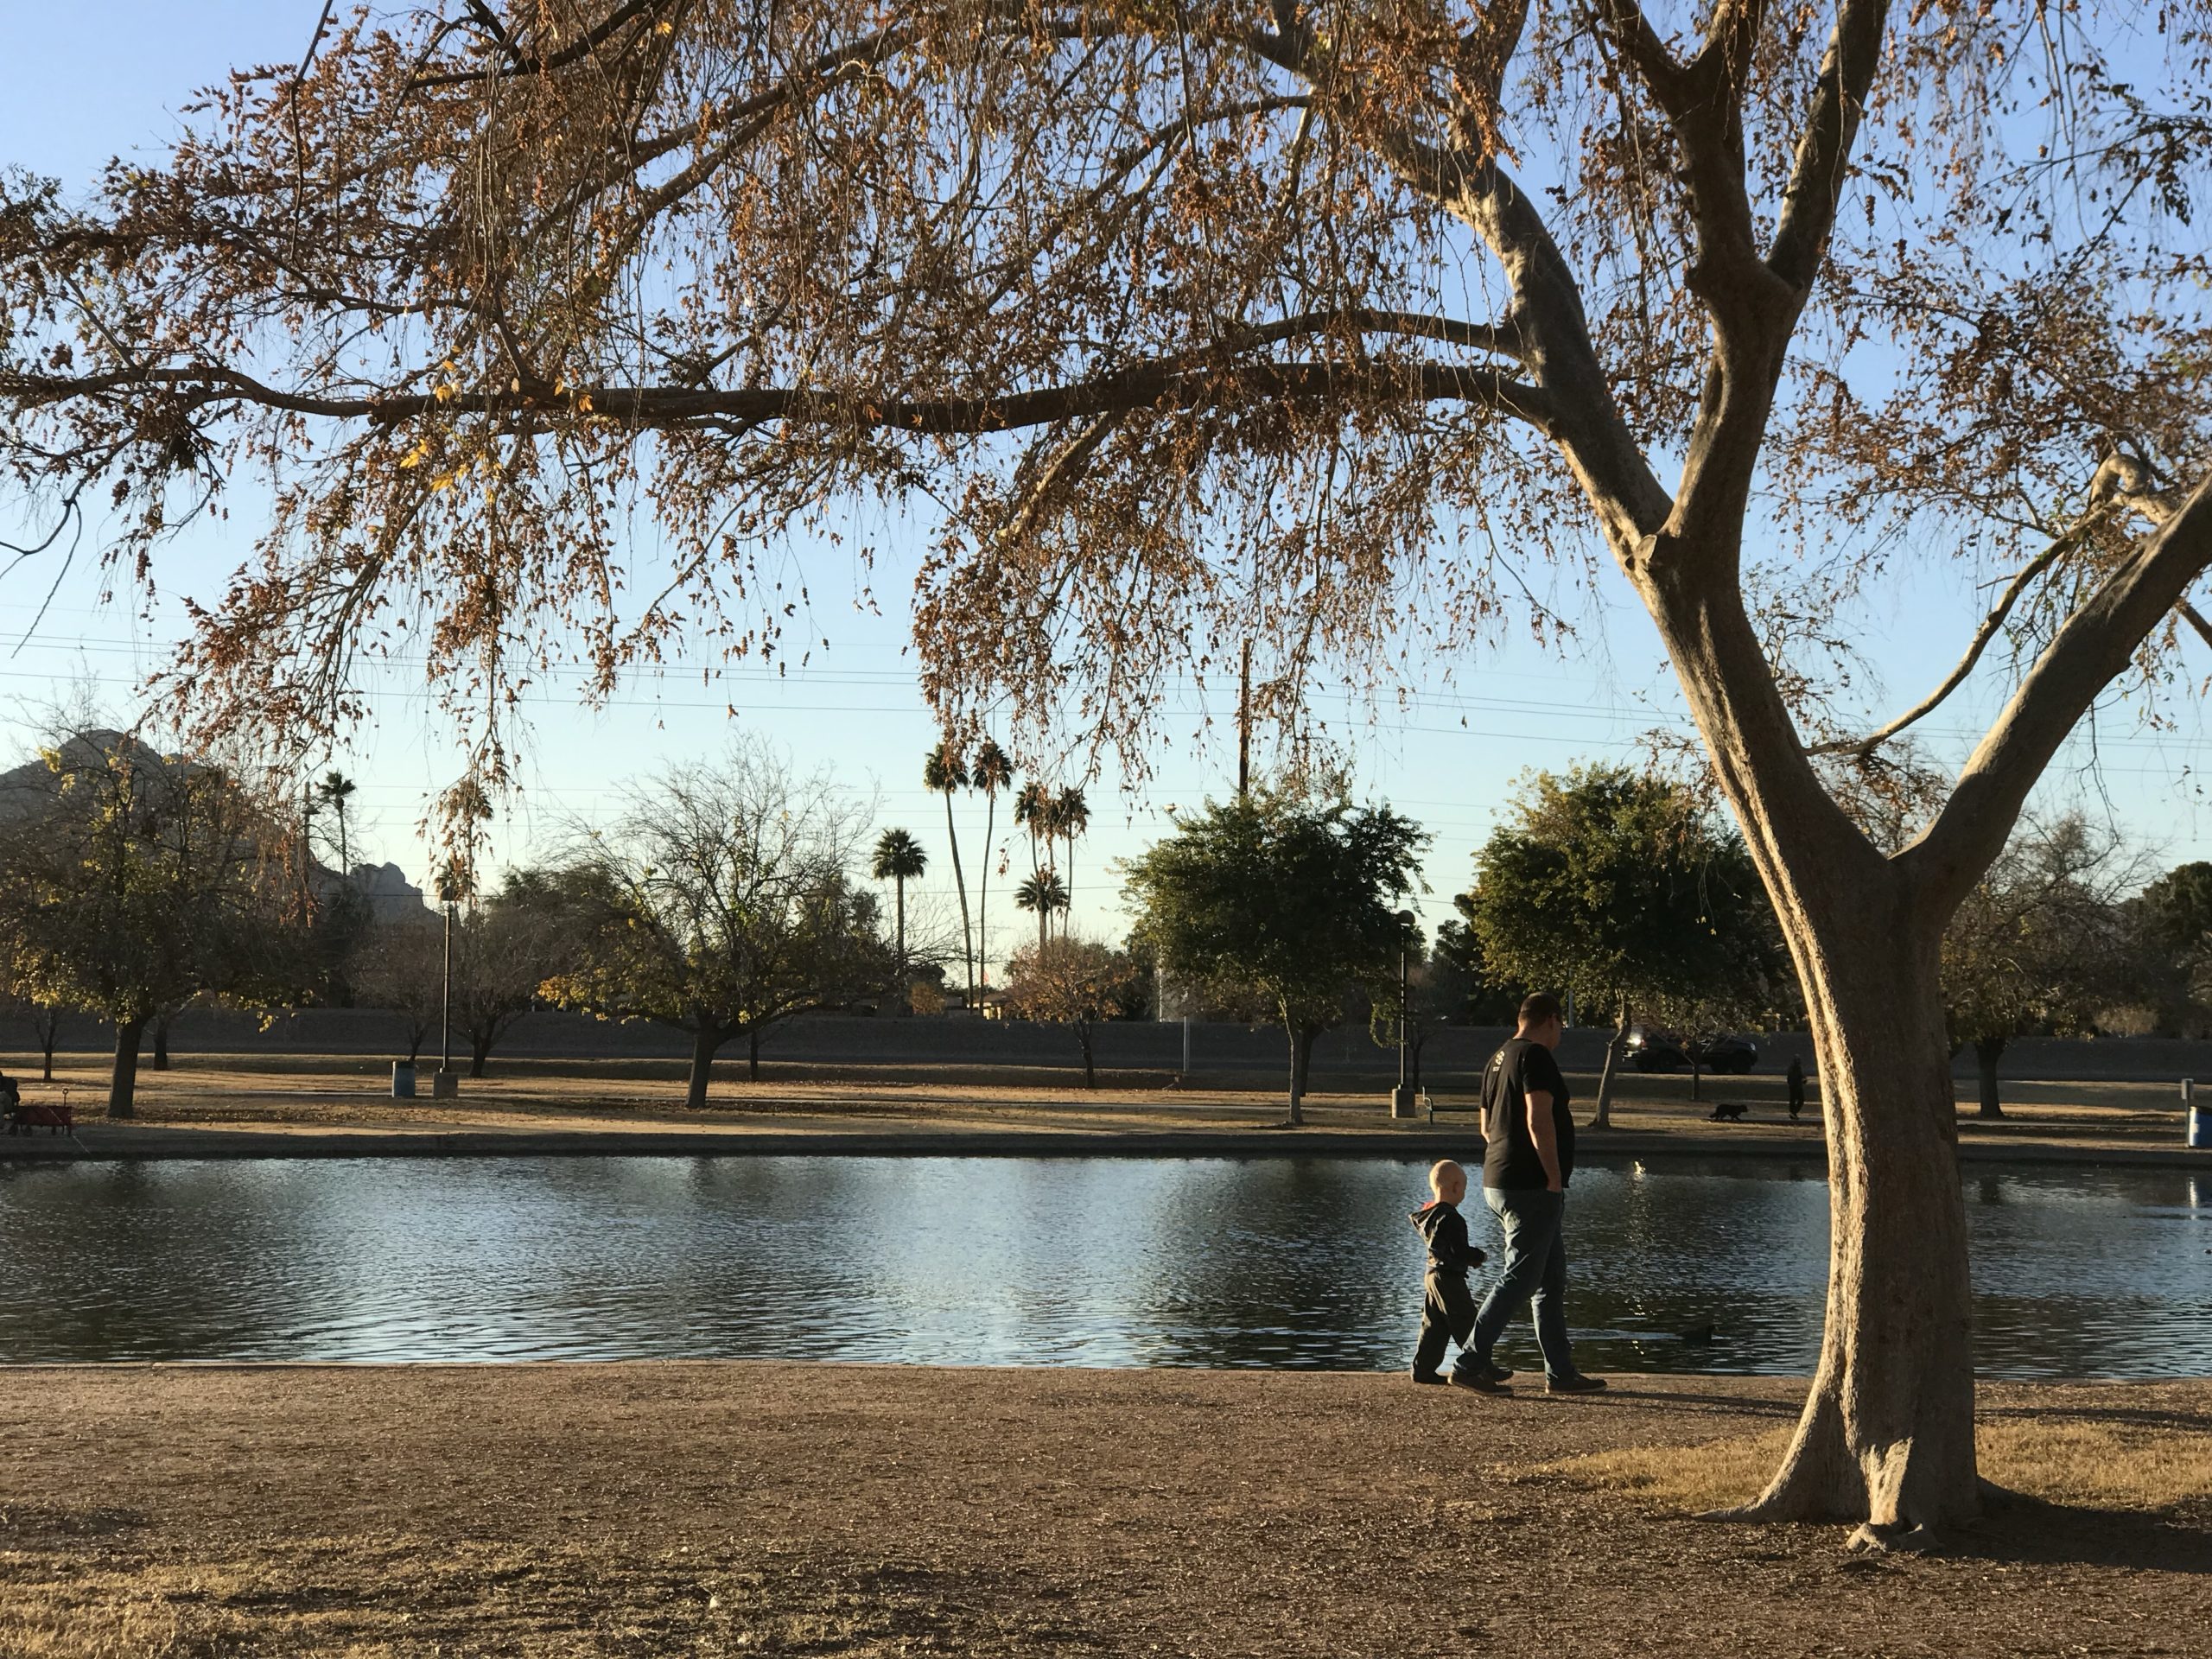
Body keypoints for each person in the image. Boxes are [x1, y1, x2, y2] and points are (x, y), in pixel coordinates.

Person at [1459, 992, 1605, 1395]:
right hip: (1532, 1185)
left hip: (1499, 1180)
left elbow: (1486, 1128)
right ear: (1552, 1020)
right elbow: (1537, 1117)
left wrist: (1509, 1158)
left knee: (1549, 1279)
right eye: (1561, 1027)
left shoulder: (1498, 1058)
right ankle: (1470, 1361)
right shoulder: (1536, 1057)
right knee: (1521, 1277)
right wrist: (1553, 1177)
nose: (1561, 1035)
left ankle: (1561, 1373)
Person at [1408, 1159, 1497, 1387]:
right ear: (1456, 1187)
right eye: (1464, 1189)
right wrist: (1478, 1257)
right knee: (1466, 1320)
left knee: (1435, 1324)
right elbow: (1457, 1251)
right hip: (1448, 1277)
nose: (1464, 1194)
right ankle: (1480, 1367)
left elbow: (1443, 1249)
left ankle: (1423, 1370)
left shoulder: (1429, 1216)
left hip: (1431, 1275)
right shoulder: (1452, 1218)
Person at [1786, 1056, 1808, 1122]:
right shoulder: (1794, 1068)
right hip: (1795, 1086)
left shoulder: (1797, 1068)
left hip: (1796, 1086)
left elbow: (1801, 1076)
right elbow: (1793, 1077)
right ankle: (1793, 1112)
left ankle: (1793, 1112)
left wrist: (1804, 1079)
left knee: (1796, 1100)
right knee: (1796, 1099)